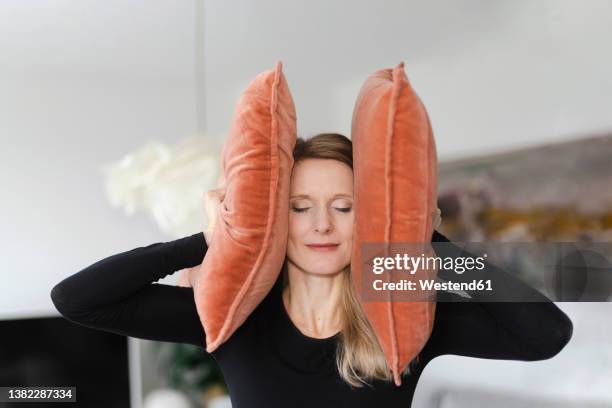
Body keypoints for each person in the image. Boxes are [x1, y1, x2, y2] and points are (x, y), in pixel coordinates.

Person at [50, 133, 573, 407]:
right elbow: (77, 298)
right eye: (300, 207)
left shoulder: (404, 318)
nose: (322, 225)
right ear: (277, 218)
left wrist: (425, 244)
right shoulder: (234, 317)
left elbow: (546, 333)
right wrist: (214, 238)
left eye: (344, 207)